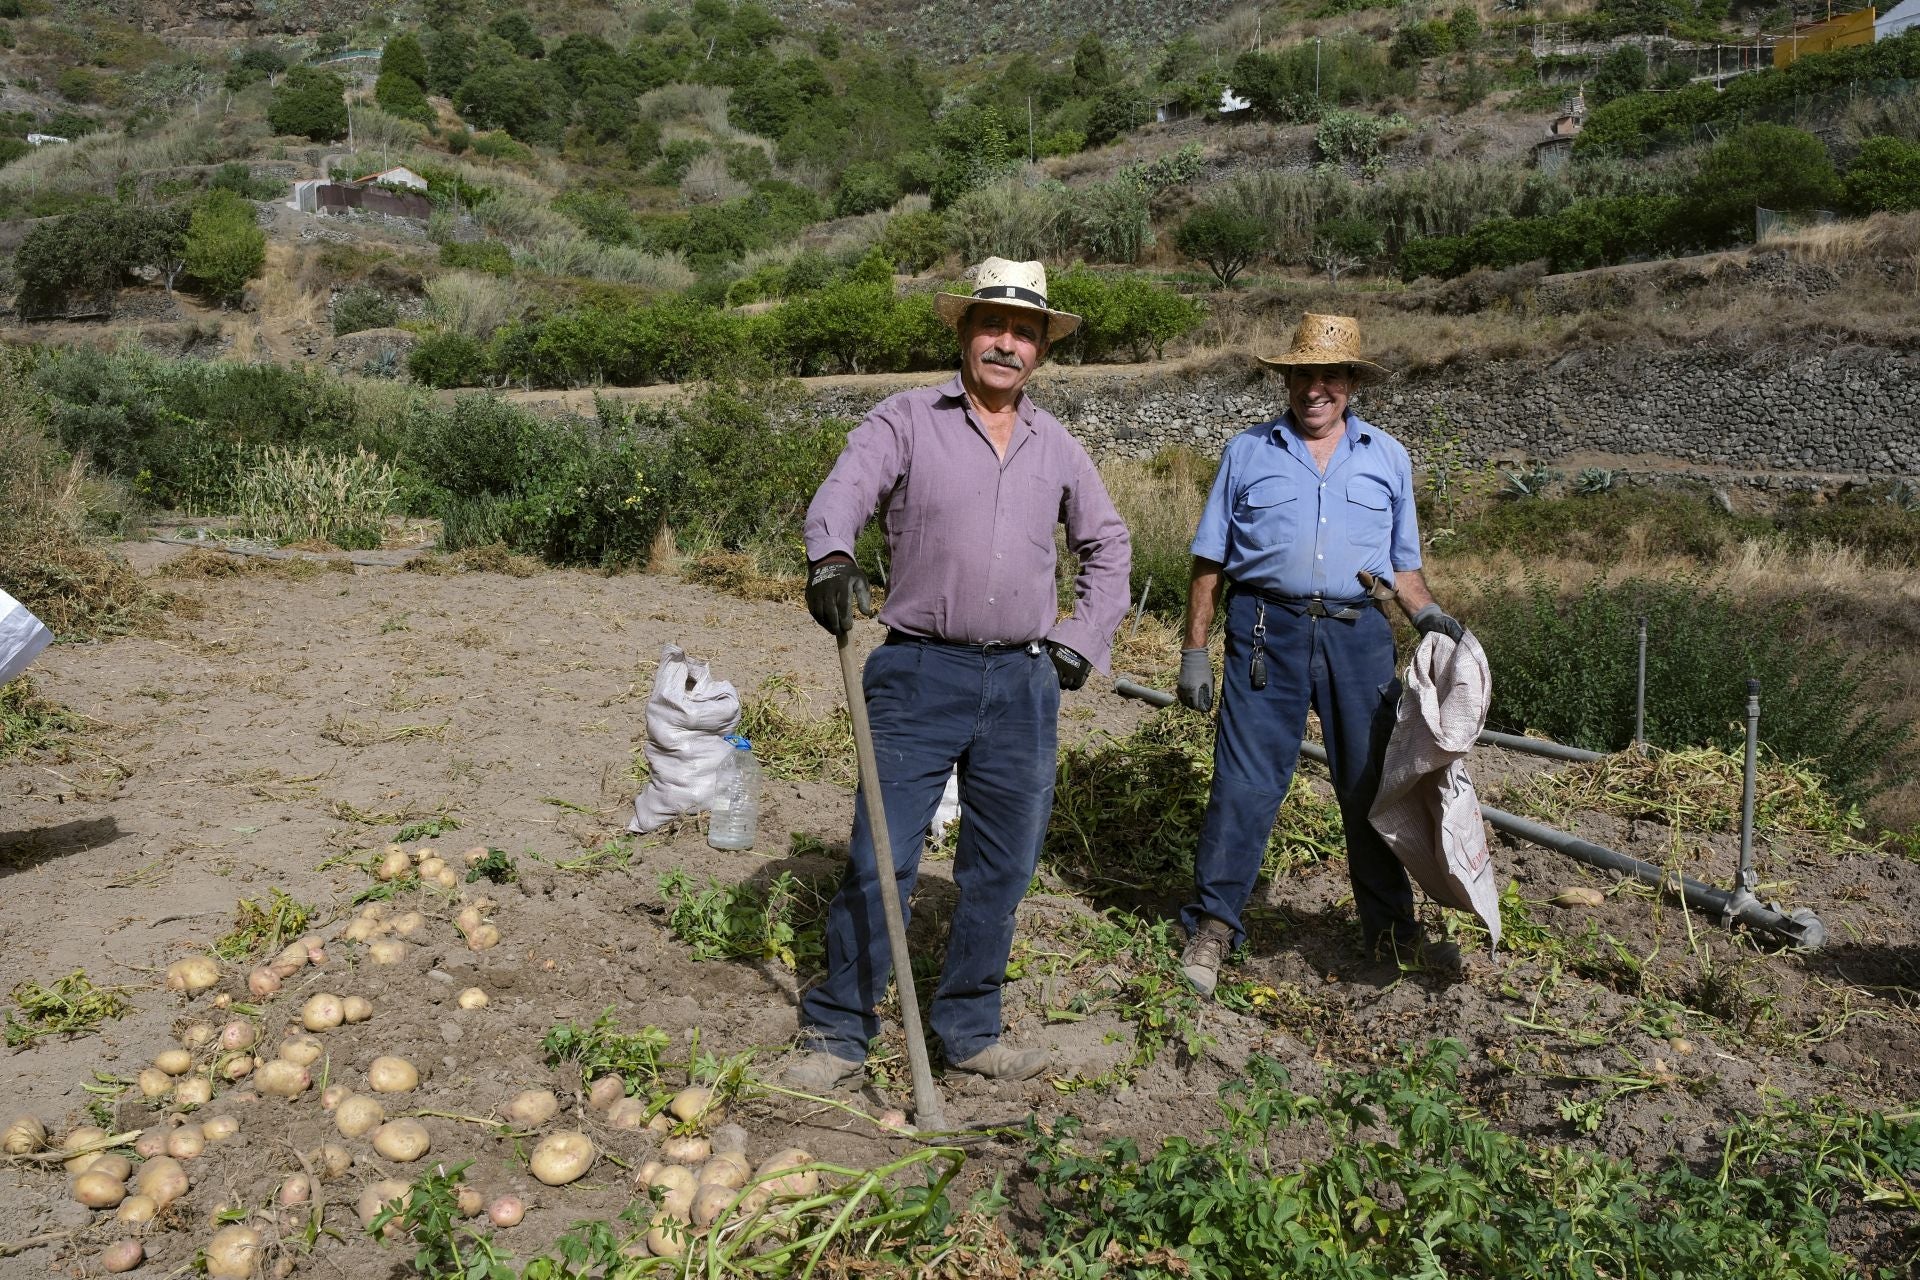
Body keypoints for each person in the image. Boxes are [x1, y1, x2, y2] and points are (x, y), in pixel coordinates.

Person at [790, 257, 1132, 1089]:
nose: (1006, 344)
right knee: (882, 856)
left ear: (1042, 349)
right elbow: (843, 494)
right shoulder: (906, 419)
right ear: (964, 331)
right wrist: (831, 559)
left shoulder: (1057, 446)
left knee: (1002, 867)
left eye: (1024, 332)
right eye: (992, 326)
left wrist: (1079, 641)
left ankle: (971, 1028)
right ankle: (839, 1030)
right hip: (917, 672)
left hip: (1022, 683)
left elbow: (1109, 546)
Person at [1174, 313, 1463, 997]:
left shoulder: (1387, 457)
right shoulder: (1247, 452)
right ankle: (1213, 928)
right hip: (1262, 632)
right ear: (1289, 379)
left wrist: (1427, 616)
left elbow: (1404, 569)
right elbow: (1210, 560)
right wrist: (1194, 650)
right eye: (1304, 375)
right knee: (1245, 785)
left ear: (1352, 383)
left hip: (1359, 633)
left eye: (1330, 376)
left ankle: (1391, 933)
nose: (1316, 389)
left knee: (1371, 787)